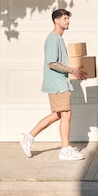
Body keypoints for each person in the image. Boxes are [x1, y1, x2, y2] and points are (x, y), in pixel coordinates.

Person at [19, 8, 87, 160]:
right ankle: (65, 149)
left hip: (61, 82)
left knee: (58, 115)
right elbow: (51, 63)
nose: (68, 21)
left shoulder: (58, 38)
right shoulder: (53, 39)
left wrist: (76, 71)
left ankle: (28, 136)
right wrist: (72, 70)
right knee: (66, 114)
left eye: (68, 18)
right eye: (64, 18)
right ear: (56, 20)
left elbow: (59, 63)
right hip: (57, 83)